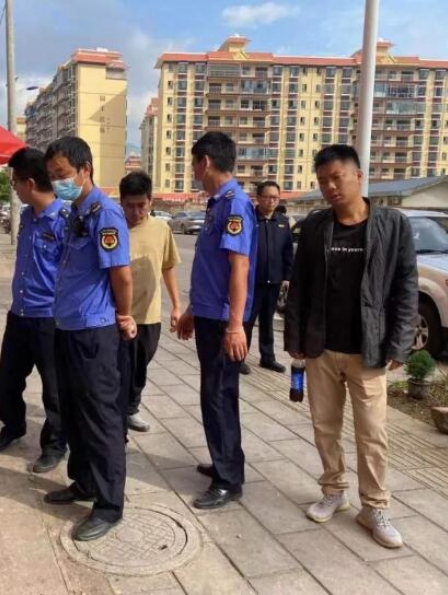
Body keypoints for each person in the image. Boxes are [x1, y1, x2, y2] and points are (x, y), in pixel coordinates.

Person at [284, 144, 418, 549]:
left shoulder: (392, 225)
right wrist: (295, 340)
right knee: (324, 427)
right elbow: (299, 286)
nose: (329, 186)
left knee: (372, 433)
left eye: (336, 178)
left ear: (358, 176)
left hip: (369, 350)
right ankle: (333, 490)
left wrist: (399, 343)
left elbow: (406, 287)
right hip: (322, 347)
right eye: (322, 180)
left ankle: (374, 506)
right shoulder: (316, 226)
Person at [42, 136, 135, 542]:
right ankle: (84, 482)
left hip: (93, 331)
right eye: (52, 176)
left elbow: (122, 275)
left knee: (100, 418)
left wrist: (124, 315)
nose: (57, 182)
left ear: (85, 170)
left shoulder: (105, 213)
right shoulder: (74, 212)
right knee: (74, 412)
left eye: (62, 174)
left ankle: (110, 505)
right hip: (66, 326)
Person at [176, 132, 256, 509]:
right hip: (209, 314)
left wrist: (235, 325)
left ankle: (229, 480)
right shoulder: (217, 203)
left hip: (224, 320)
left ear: (205, 162)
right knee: (214, 394)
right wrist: (193, 310)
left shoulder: (234, 204)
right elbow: (211, 268)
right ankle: (224, 460)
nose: (194, 171)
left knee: (220, 396)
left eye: (194, 163)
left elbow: (239, 268)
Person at [0, 148, 68, 473]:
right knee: (8, 379)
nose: (14, 188)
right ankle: (13, 426)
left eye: (15, 182)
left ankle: (55, 444)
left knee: (54, 389)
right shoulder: (27, 217)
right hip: (19, 314)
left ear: (30, 183)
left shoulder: (64, 221)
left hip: (49, 318)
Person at [118, 171, 181, 433]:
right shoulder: (112, 228)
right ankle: (117, 413)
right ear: (121, 202)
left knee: (140, 366)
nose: (136, 212)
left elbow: (168, 266)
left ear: (150, 202)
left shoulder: (161, 229)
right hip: (117, 314)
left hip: (149, 314)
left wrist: (176, 305)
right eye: (129, 206)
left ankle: (131, 408)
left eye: (141, 205)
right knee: (118, 367)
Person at [240, 181, 293, 375]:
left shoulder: (283, 222)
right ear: (258, 198)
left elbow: (288, 252)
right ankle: (239, 358)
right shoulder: (248, 219)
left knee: (267, 321)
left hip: (274, 281)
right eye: (267, 197)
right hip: (251, 282)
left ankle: (268, 358)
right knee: (246, 321)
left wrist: (287, 277)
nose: (271, 201)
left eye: (275, 197)